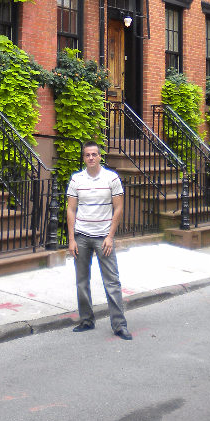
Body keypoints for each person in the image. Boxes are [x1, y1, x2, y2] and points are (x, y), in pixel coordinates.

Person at [66, 140, 132, 340]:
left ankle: (119, 325)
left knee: (112, 281)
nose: (91, 158)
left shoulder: (111, 178)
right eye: (87, 155)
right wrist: (71, 239)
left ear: (100, 156)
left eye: (94, 154)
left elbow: (119, 207)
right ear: (84, 157)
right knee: (82, 281)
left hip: (104, 237)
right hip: (82, 236)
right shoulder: (76, 180)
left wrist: (111, 236)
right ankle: (86, 320)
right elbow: (70, 209)